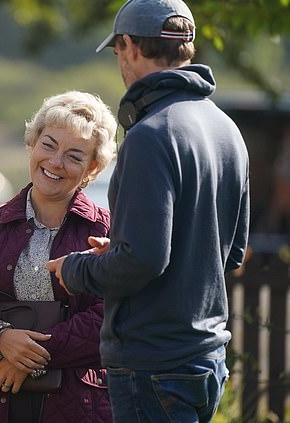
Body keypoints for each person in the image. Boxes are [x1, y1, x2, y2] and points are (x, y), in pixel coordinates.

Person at [47, 1, 250, 422]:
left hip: (154, 363)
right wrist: (121, 249)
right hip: (207, 357)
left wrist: (76, 269)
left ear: (130, 46)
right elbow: (228, 253)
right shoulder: (227, 130)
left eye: (118, 50)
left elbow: (144, 259)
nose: (120, 61)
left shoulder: (150, 133)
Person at [0, 91, 117, 423]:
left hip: (75, 405)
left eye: (74, 155)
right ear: (32, 142)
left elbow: (110, 316)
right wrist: (1, 338)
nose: (55, 162)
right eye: (49, 145)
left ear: (93, 167)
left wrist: (28, 356)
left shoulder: (110, 229)